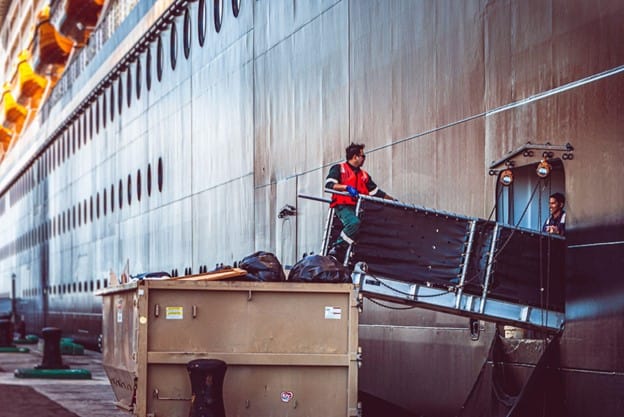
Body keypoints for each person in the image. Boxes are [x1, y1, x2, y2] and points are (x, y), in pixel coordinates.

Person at [325, 143, 394, 260]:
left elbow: (376, 192)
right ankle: (337, 248)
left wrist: (393, 200)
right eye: (363, 156)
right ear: (355, 157)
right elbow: (329, 184)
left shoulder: (364, 175)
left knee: (367, 230)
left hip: (360, 207)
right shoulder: (339, 168)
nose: (364, 159)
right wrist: (346, 188)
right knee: (353, 223)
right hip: (343, 205)